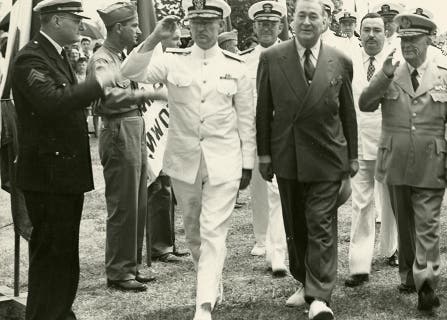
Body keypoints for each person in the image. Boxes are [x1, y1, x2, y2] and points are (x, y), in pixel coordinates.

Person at [121, 0, 255, 318]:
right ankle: (211, 282)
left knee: (212, 231)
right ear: (188, 26)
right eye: (196, 24)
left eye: (209, 23)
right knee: (194, 232)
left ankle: (203, 305)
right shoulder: (173, 60)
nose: (203, 30)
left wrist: (248, 164)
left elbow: (246, 121)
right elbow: (129, 72)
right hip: (184, 163)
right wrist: (154, 37)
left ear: (221, 25)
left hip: (224, 163)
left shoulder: (237, 66)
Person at [10, 0, 116, 318]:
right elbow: (52, 103)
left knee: (65, 253)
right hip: (47, 176)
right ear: (56, 20)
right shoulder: (31, 57)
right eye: (74, 20)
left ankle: (60, 312)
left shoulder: (54, 55)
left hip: (62, 174)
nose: (80, 26)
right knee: (50, 255)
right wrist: (99, 83)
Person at [255, 0, 358, 318]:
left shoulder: (340, 59)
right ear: (292, 20)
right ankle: (304, 281)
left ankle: (319, 296)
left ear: (326, 21)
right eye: (301, 15)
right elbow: (263, 111)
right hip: (288, 155)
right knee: (295, 225)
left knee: (321, 224)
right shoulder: (271, 58)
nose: (307, 22)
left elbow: (347, 112)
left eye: (315, 16)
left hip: (327, 155)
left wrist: (352, 156)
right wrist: (264, 154)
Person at [359, 6, 447, 314]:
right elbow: (365, 104)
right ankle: (408, 275)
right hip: (396, 161)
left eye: (414, 40)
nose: (408, 47)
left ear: (429, 40)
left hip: (432, 161)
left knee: (427, 224)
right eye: (404, 40)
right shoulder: (389, 74)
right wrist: (383, 75)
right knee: (404, 224)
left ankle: (425, 280)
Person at [88, 1, 162, 292]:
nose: (139, 30)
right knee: (123, 203)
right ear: (118, 28)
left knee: (138, 201)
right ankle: (119, 271)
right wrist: (144, 94)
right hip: (119, 129)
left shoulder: (119, 58)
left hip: (132, 127)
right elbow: (107, 98)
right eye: (133, 26)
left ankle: (129, 265)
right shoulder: (102, 59)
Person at [345, 12, 399, 288]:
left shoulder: (396, 62)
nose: (371, 35)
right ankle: (359, 264)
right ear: (359, 32)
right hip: (357, 142)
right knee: (361, 202)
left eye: (377, 30)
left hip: (388, 139)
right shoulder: (349, 61)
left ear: (386, 33)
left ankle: (392, 250)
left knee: (391, 200)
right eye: (366, 30)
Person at [240, 0, 288, 277]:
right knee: (258, 188)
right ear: (255, 28)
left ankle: (276, 247)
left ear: (280, 26)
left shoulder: (289, 56)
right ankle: (262, 238)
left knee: (277, 190)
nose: (267, 29)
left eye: (272, 24)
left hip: (281, 131)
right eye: (262, 24)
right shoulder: (244, 59)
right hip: (253, 131)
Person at [147, 26, 189, 264]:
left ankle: (167, 242)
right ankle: (159, 246)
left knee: (168, 191)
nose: (179, 43)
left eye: (180, 39)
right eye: (174, 38)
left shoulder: (176, 62)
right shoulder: (155, 62)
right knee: (159, 189)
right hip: (156, 132)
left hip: (172, 132)